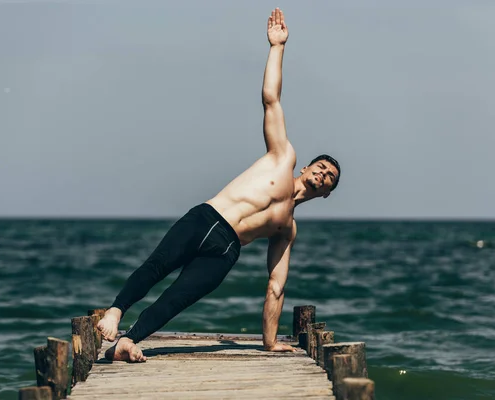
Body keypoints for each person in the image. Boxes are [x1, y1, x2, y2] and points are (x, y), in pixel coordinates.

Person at [98, 7, 341, 362]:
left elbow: (276, 286)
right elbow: (271, 99)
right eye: (321, 168)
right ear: (307, 167)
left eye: (328, 178)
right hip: (208, 219)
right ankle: (116, 309)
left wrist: (270, 342)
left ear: (326, 193)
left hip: (227, 251)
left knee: (178, 297)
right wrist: (277, 47)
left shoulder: (286, 228)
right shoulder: (282, 155)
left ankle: (128, 340)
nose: (322, 175)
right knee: (157, 267)